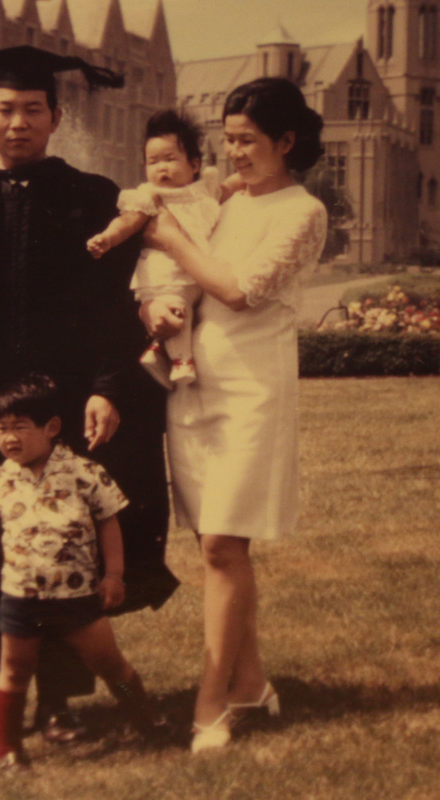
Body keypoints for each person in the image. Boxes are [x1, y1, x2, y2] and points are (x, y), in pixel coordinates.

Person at [0, 45, 179, 758]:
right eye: (5, 110)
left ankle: (58, 703)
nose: (18, 123)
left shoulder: (89, 196)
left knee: (64, 554)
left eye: (33, 110)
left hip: (64, 410)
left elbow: (115, 307)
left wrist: (110, 388)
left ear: (56, 117)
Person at [140, 77, 329, 753]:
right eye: (229, 138)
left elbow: (238, 290)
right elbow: (180, 286)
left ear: (287, 141)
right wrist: (151, 309)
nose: (234, 152)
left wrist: (166, 236)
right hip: (192, 386)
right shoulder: (217, 198)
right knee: (214, 546)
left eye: (248, 140)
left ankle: (210, 704)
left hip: (252, 391)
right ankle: (250, 683)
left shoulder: (302, 212)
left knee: (223, 544)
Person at [0, 374, 168, 770]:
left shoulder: (81, 471)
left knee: (113, 666)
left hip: (78, 599)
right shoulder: (1, 478)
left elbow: (108, 520)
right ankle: (9, 750)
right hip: (21, 601)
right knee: (13, 674)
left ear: (52, 428)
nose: (9, 438)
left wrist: (114, 575)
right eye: (1, 428)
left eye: (20, 428)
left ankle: (149, 723)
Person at [86, 109, 241, 388]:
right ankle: (182, 362)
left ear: (194, 164)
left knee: (189, 312)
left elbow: (228, 188)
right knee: (178, 307)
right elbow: (128, 221)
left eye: (170, 159)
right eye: (152, 161)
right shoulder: (151, 196)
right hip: (166, 272)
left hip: (196, 271)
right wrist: (108, 238)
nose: (161, 168)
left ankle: (158, 351)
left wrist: (254, 175)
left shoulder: (203, 191)